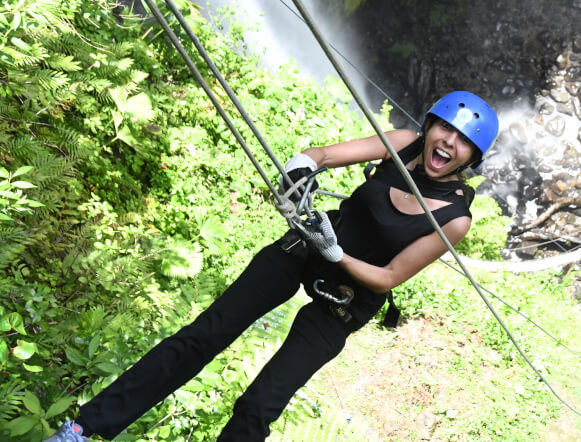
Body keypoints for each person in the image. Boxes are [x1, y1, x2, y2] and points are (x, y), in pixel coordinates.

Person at [45, 91, 499, 441]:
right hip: (303, 251)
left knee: (261, 404)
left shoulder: (454, 218)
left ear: (472, 160)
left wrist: (337, 254)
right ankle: (84, 430)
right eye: (444, 130)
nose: (448, 143)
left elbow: (390, 277)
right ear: (430, 126)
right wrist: (301, 167)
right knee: (202, 337)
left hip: (346, 299)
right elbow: (322, 154)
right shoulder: (402, 144)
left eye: (463, 143)